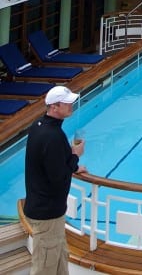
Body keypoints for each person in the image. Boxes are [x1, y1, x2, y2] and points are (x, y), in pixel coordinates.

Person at [24, 85, 86, 275]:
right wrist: (76, 155)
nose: (71, 105)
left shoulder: (39, 126)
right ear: (55, 107)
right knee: (45, 267)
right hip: (47, 214)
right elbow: (58, 178)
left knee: (60, 259)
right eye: (67, 103)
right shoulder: (53, 136)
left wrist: (74, 165)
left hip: (48, 211)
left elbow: (51, 160)